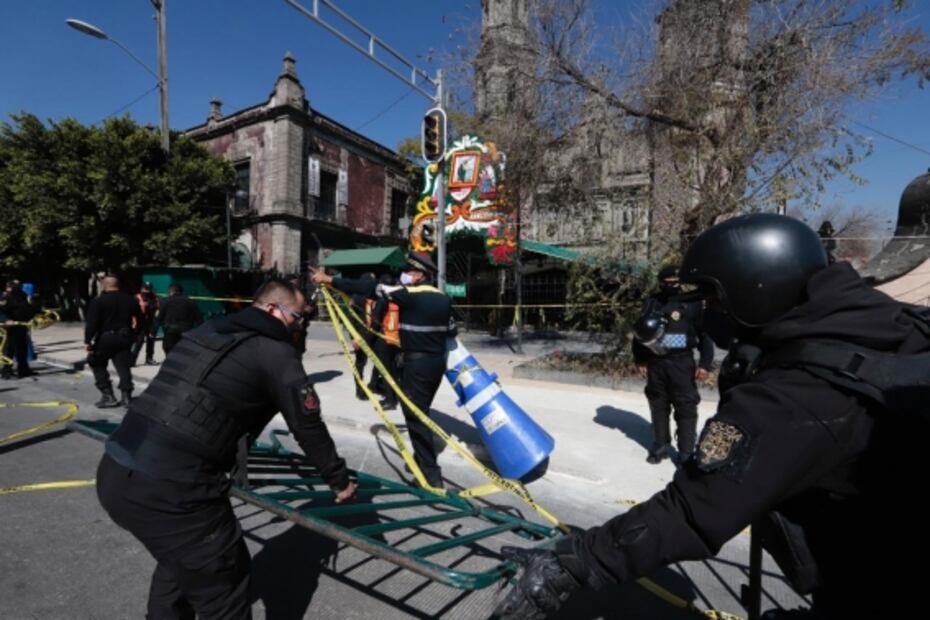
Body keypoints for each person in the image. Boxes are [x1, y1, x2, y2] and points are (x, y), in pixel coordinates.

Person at [493, 213, 929, 619]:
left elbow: (692, 510)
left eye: (716, 297)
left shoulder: (796, 393)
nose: (713, 309)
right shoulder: (892, 325)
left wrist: (571, 565)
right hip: (874, 554)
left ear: (758, 288)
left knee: (683, 414)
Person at [95, 279, 357, 620]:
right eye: (298, 317)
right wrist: (338, 480)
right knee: (224, 587)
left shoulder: (209, 332)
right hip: (173, 488)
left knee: (179, 563)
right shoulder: (274, 353)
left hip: (116, 469)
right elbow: (308, 425)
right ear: (273, 309)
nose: (301, 324)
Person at [311, 251, 455, 489]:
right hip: (436, 365)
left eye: (407, 272)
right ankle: (422, 461)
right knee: (421, 412)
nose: (403, 276)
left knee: (416, 418)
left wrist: (330, 279)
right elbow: (451, 331)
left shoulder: (408, 295)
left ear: (419, 275)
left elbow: (369, 288)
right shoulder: (443, 298)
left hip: (416, 366)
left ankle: (432, 476)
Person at [632, 265, 714, 463]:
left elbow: (704, 334)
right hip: (655, 362)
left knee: (686, 405)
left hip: (681, 362)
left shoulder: (692, 302)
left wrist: (705, 363)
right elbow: (640, 331)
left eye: (676, 283)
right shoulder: (652, 302)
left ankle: (686, 450)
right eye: (668, 283)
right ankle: (660, 444)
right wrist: (640, 358)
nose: (672, 286)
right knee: (658, 403)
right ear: (661, 283)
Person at [84, 276, 142, 407]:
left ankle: (107, 394)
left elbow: (92, 323)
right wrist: (136, 334)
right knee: (123, 367)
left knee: (96, 362)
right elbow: (140, 319)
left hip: (105, 338)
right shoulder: (130, 299)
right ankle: (126, 396)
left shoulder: (98, 301)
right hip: (125, 337)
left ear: (104, 285)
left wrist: (88, 341)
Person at [368, 273, 402, 410]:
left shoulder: (382, 301)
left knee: (386, 372)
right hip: (397, 340)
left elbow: (375, 323)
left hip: (384, 340)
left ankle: (390, 400)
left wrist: (368, 341)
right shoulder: (401, 299)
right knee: (394, 371)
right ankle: (394, 397)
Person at [0, 280, 37, 379]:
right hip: (9, 327)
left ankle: (23, 369)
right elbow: (1, 311)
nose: (18, 287)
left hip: (21, 324)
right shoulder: (5, 297)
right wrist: (6, 320)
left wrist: (36, 314)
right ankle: (6, 371)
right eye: (15, 286)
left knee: (22, 348)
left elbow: (27, 308)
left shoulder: (22, 295)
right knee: (9, 349)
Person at [349, 273, 377, 400]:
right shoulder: (356, 298)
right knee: (360, 364)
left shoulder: (372, 296)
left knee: (379, 362)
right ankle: (359, 390)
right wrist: (354, 337)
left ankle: (373, 384)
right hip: (361, 336)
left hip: (372, 334)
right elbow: (351, 321)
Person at [154, 283, 202, 355]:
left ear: (171, 291)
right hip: (187, 331)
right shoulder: (191, 302)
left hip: (171, 331)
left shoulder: (166, 302)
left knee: (169, 351)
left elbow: (159, 318)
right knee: (185, 353)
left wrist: (153, 332)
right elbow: (199, 319)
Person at [130, 281, 161, 366]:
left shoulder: (155, 298)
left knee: (151, 341)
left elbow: (158, 310)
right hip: (140, 323)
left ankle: (149, 359)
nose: (147, 291)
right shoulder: (137, 297)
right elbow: (131, 310)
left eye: (148, 289)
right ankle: (132, 360)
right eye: (145, 289)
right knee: (138, 342)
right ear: (141, 289)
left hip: (151, 323)